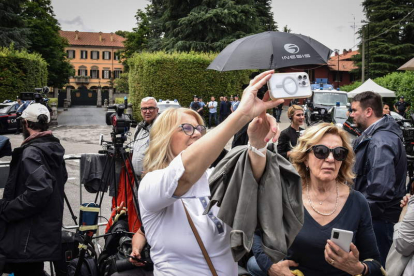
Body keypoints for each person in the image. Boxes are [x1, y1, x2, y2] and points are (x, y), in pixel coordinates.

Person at [130, 70, 283, 275]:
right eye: (186, 128)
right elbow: (184, 173)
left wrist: (257, 143)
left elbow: (251, 181)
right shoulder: (152, 183)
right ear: (164, 137)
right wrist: (241, 115)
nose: (196, 134)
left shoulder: (212, 175)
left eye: (200, 129)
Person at [247, 123, 383, 276]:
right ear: (305, 158)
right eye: (321, 151)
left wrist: (359, 269)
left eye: (338, 153)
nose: (331, 159)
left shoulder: (357, 202)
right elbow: (257, 234)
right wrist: (271, 266)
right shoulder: (286, 194)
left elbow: (375, 263)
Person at [0, 103, 68, 276]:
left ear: (26, 124)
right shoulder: (53, 147)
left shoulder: (32, 152)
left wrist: (8, 209)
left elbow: (40, 189)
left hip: (27, 234)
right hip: (42, 231)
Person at [351, 91, 407, 266]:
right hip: (377, 219)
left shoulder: (380, 140)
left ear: (368, 111)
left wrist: (357, 216)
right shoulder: (377, 135)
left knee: (375, 266)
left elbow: (380, 189)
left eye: (354, 110)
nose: (351, 114)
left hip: (378, 221)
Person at [132, 97, 159, 179]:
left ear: (157, 110)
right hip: (136, 179)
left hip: (152, 179)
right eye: (144, 108)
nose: (147, 111)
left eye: (151, 108)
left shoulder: (161, 128)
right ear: (141, 111)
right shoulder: (139, 127)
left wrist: (155, 170)